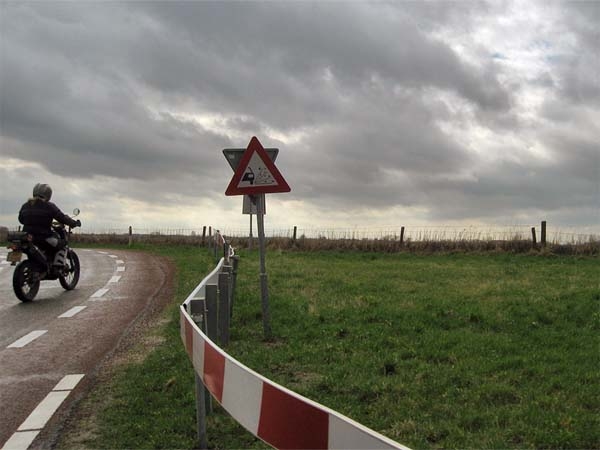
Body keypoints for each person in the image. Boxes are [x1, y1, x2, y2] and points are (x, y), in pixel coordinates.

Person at [18, 183, 81, 266]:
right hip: (44, 237)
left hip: (27, 237)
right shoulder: (49, 206)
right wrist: (73, 223)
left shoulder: (25, 205)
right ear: (48, 194)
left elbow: (21, 219)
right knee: (62, 243)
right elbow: (61, 217)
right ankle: (57, 266)